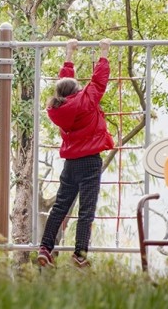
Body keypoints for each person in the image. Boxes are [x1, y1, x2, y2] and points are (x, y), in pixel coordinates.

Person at [37, 38, 115, 268]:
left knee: (60, 206)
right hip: (90, 161)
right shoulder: (86, 101)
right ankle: (79, 254)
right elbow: (98, 82)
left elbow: (65, 85)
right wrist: (104, 52)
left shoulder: (57, 108)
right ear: (77, 91)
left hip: (70, 163)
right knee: (86, 209)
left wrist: (68, 54)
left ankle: (45, 248)